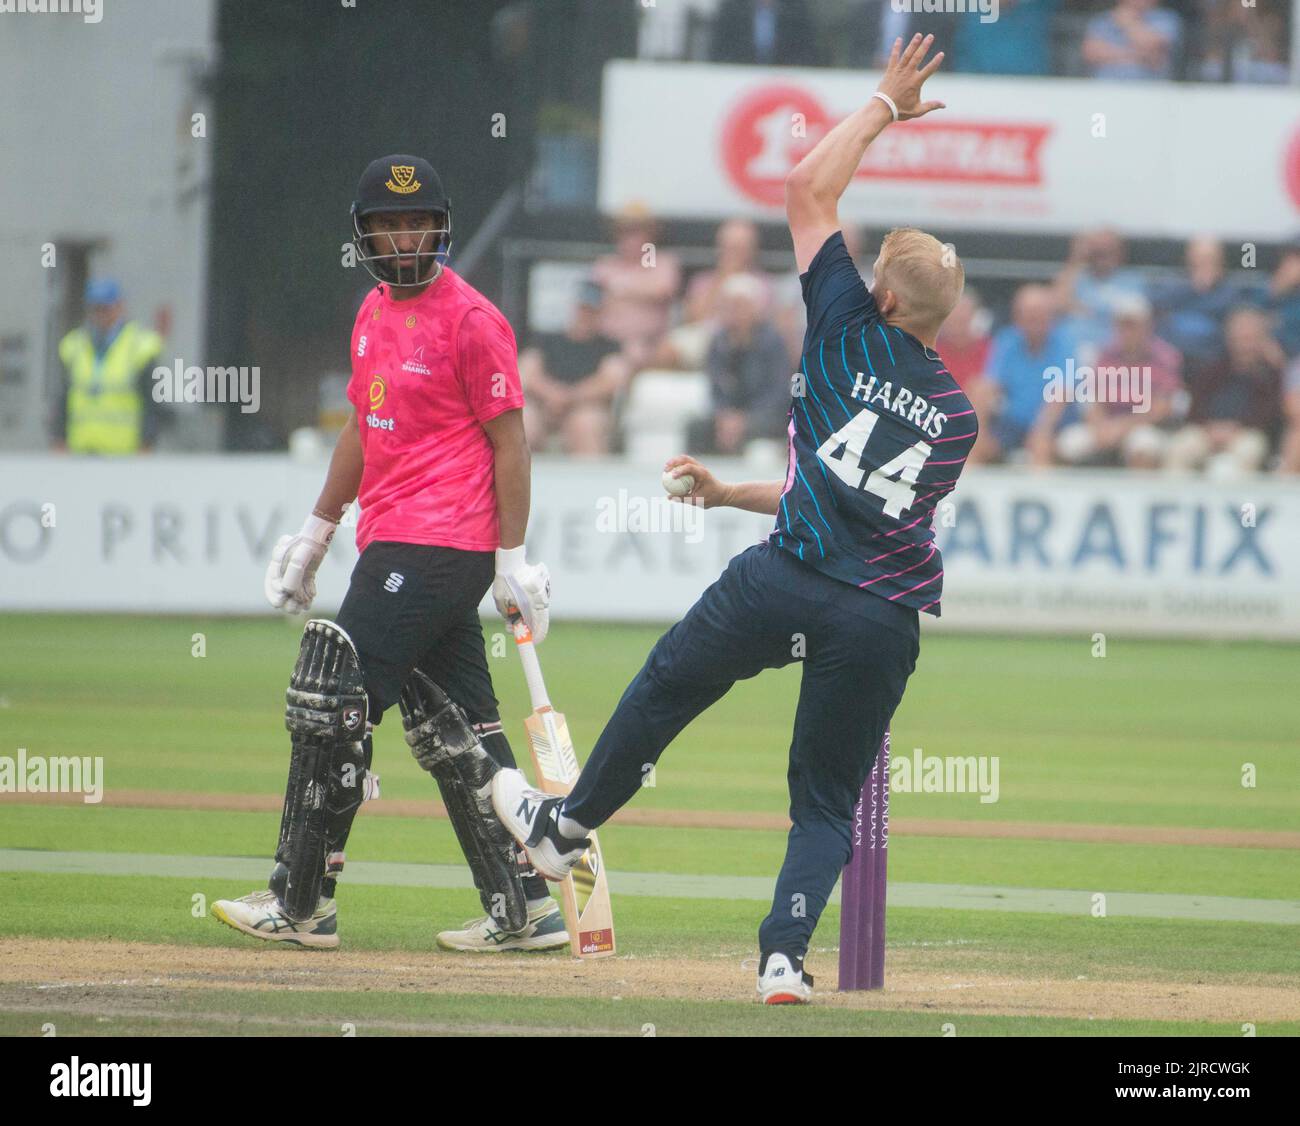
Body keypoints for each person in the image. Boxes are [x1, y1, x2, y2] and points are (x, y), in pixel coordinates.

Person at [493, 35, 976, 1005]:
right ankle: (781, 961)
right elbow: (862, 508)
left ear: (881, 297)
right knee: (824, 798)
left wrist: (882, 104)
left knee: (669, 681)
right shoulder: (959, 419)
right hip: (879, 617)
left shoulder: (845, 327)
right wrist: (723, 494)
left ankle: (569, 824)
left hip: (787, 577)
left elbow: (805, 190)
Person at [213, 154, 564, 954]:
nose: (403, 237)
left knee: (331, 699)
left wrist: (511, 559)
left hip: (441, 542)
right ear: (364, 234)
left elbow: (512, 447)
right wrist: (316, 531)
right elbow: (359, 432)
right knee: (458, 728)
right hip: (392, 535)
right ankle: (524, 907)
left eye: (416, 222)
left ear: (440, 229)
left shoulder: (474, 320)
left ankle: (300, 902)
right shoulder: (371, 313)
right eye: (387, 224)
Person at [1051, 295, 1184, 469]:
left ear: (1147, 326)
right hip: (1107, 423)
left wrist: (1121, 427)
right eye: (1123, 325)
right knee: (1066, 444)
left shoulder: (1165, 357)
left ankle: (1138, 494)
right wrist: (1101, 426)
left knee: (1143, 446)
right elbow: (1092, 398)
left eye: (1133, 325)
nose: (1127, 331)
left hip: (1144, 426)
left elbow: (1161, 408)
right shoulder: (1105, 354)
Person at [1165, 306, 1283, 477]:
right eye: (1240, 337)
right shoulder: (1213, 368)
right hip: (1207, 429)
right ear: (1229, 337)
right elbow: (1194, 405)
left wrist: (1236, 428)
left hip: (1247, 432)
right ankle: (1173, 500)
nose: (1244, 343)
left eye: (1250, 338)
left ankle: (1241, 503)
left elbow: (1271, 413)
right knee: (1179, 448)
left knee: (1244, 453)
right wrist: (1210, 428)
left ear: (1261, 339)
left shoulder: (1271, 374)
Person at [52, 278, 164, 455]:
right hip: (81, 449)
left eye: (105, 308)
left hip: (124, 452)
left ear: (120, 307)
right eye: (95, 308)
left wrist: (147, 441)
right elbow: (63, 397)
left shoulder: (139, 347)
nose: (100, 314)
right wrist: (59, 437)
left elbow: (152, 402)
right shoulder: (75, 345)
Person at [520, 280, 630, 456]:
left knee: (585, 424)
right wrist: (551, 394)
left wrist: (570, 397)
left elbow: (612, 380)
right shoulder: (546, 339)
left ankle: (592, 482)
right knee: (524, 422)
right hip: (542, 404)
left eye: (592, 310)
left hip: (585, 406)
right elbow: (526, 372)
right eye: (583, 308)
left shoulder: (610, 346)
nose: (586, 314)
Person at [693, 272, 792, 455]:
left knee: (757, 429)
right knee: (696, 427)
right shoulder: (719, 342)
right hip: (728, 415)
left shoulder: (772, 341)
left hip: (765, 414)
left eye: (739, 306)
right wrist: (724, 416)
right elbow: (715, 386)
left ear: (754, 309)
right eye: (729, 307)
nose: (734, 312)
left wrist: (744, 420)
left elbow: (778, 393)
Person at [983, 284, 1076, 462]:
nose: (1034, 319)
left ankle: (1041, 486)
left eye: (1039, 313)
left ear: (1050, 316)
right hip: (1012, 423)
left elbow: (1061, 393)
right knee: (978, 391)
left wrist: (1040, 431)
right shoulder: (1007, 340)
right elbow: (990, 385)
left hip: (1054, 425)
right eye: (1028, 314)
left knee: (1040, 442)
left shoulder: (1065, 342)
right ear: (1017, 316)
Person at [590, 203, 682, 370]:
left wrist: (619, 288)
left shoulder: (658, 261)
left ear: (650, 235)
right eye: (624, 232)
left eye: (637, 232)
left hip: (647, 343)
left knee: (636, 354)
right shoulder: (606, 264)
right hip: (603, 343)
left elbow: (662, 290)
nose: (630, 239)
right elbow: (589, 302)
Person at [1082, 0, 1183, 81]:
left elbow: (1153, 50)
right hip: (1104, 88)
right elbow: (1091, 53)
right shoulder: (1102, 20)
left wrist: (1127, 22)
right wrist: (1136, 55)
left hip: (1150, 90)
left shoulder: (1166, 19)